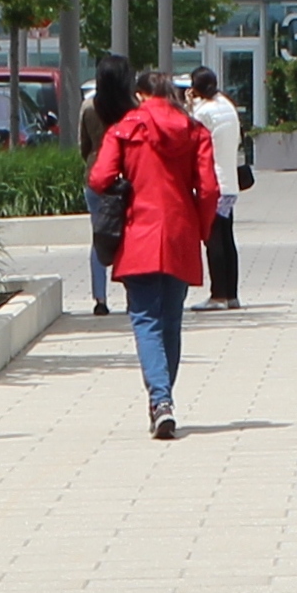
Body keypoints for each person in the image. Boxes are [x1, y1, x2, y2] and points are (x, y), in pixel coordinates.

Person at [86, 62, 218, 441]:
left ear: (142, 95)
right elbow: (208, 189)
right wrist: (203, 228)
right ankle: (164, 399)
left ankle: (161, 402)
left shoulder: (125, 129)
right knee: (170, 321)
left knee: (145, 320)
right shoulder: (195, 131)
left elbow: (99, 178)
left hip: (138, 232)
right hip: (179, 232)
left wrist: (125, 185)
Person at [181, 64, 248, 309]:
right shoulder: (227, 105)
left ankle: (217, 294)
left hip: (213, 183)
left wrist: (190, 106)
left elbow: (191, 136)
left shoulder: (204, 112)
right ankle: (231, 294)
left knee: (213, 238)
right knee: (227, 237)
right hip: (230, 182)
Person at [74, 56, 137, 315]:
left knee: (99, 235)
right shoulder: (133, 108)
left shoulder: (89, 107)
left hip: (97, 177)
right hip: (128, 176)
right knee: (130, 235)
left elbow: (83, 145)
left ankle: (100, 299)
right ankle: (132, 293)